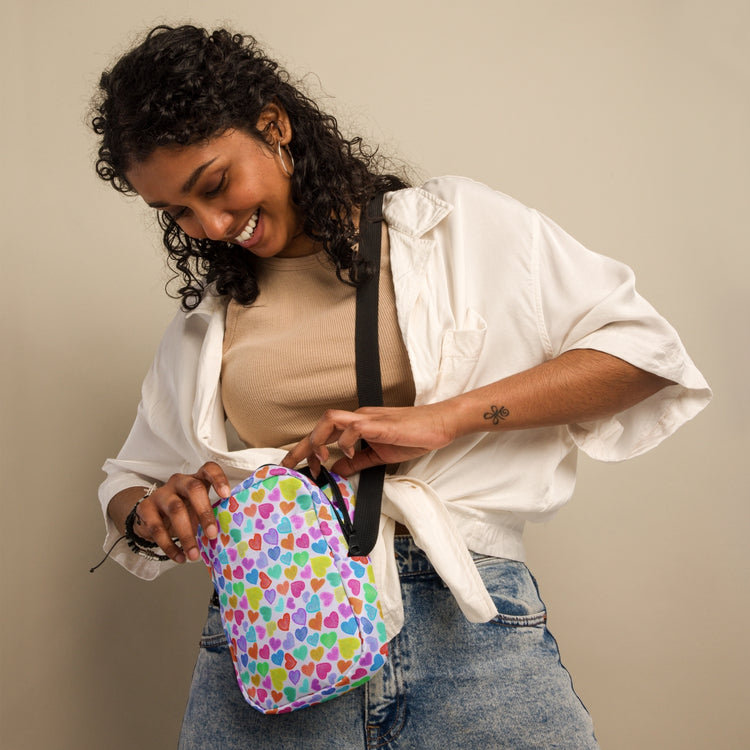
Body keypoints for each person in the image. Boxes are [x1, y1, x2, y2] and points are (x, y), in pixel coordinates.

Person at [91, 24, 711, 750]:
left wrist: (446, 419)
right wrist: (154, 512)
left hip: (465, 626)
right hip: (275, 640)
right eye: (178, 213)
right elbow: (127, 483)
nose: (213, 225)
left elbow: (644, 356)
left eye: (215, 185)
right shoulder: (208, 321)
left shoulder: (451, 230)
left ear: (274, 125)